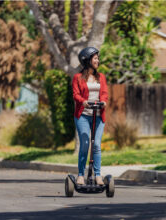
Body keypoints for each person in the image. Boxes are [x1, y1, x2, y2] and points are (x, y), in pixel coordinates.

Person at [72, 47, 108, 185]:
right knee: (85, 144)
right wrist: (83, 102)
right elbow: (76, 94)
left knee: (97, 145)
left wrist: (103, 101)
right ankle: (81, 175)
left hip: (98, 116)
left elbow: (104, 92)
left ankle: (98, 175)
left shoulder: (101, 77)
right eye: (95, 58)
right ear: (87, 60)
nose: (97, 60)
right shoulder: (78, 78)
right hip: (83, 116)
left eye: (97, 58)